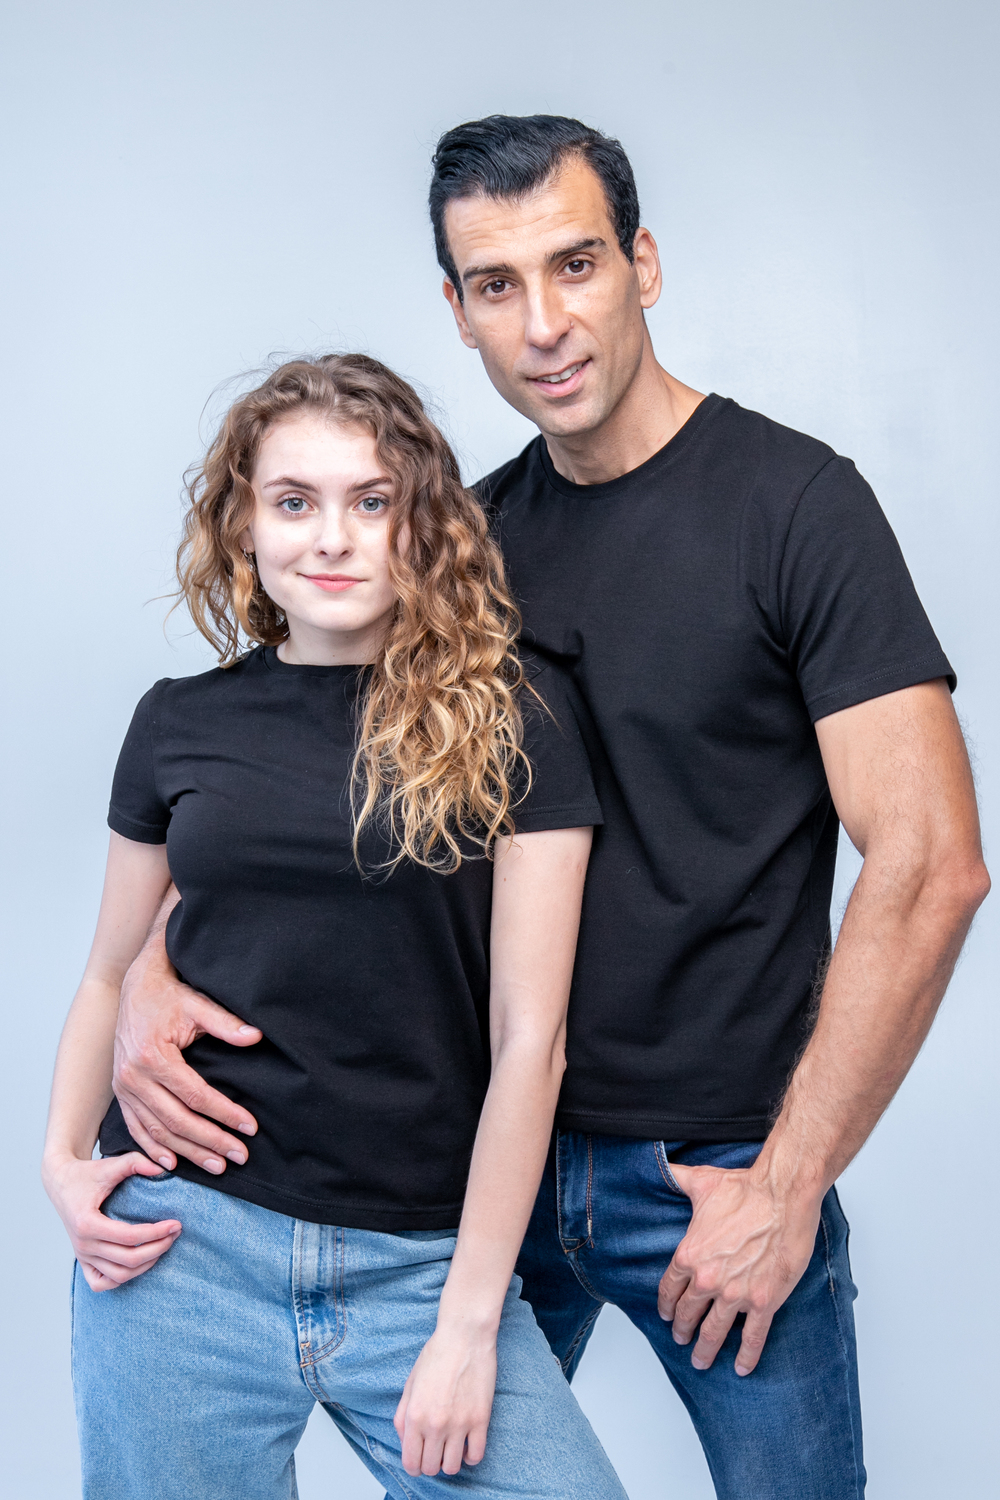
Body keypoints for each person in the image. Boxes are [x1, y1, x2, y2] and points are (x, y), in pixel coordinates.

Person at [108, 118, 990, 1499]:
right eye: (496, 283)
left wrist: (787, 1184)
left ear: (644, 264)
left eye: (576, 264)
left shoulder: (795, 507)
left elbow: (931, 862)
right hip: (478, 1168)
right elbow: (285, 793)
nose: (543, 323)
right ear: (456, 311)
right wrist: (144, 970)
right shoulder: (458, 549)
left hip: (713, 1172)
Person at [41, 354, 630, 1500]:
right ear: (244, 525)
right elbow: (110, 971)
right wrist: (63, 1163)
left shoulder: (517, 720)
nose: (331, 538)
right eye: (293, 502)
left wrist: (468, 1323)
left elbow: (531, 1041)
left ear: (424, 523)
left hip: (421, 1267)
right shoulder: (176, 724)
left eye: (371, 502)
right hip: (184, 1246)